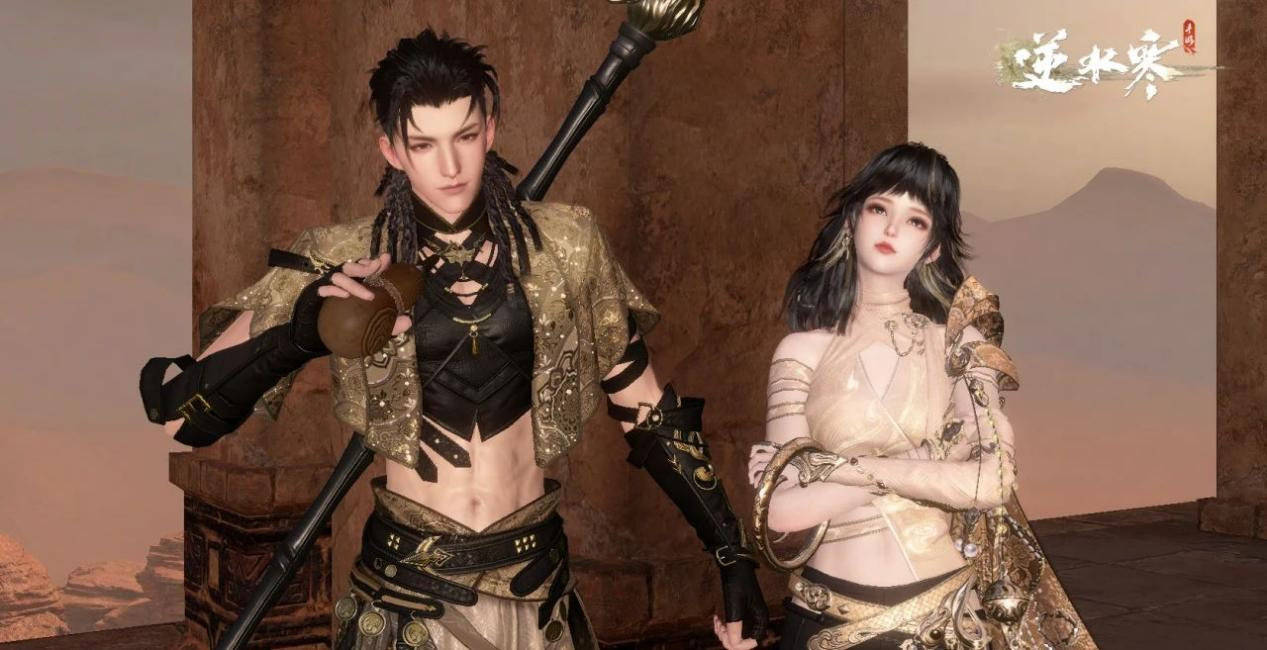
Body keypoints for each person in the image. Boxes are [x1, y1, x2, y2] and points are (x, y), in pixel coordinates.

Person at [143, 29, 766, 650]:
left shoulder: (566, 243)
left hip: (537, 588)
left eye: (464, 137)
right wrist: (297, 333)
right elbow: (180, 420)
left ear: (489, 129)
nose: (450, 167)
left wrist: (730, 552)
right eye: (424, 144)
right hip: (407, 596)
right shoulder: (343, 258)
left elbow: (646, 408)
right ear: (391, 150)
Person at [744, 143, 1096, 649]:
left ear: (932, 248)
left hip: (942, 619)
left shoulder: (961, 346)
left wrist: (830, 468)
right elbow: (780, 513)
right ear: (852, 220)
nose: (891, 229)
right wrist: (928, 460)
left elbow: (992, 479)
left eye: (915, 220)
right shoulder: (800, 351)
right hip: (824, 618)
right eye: (879, 209)